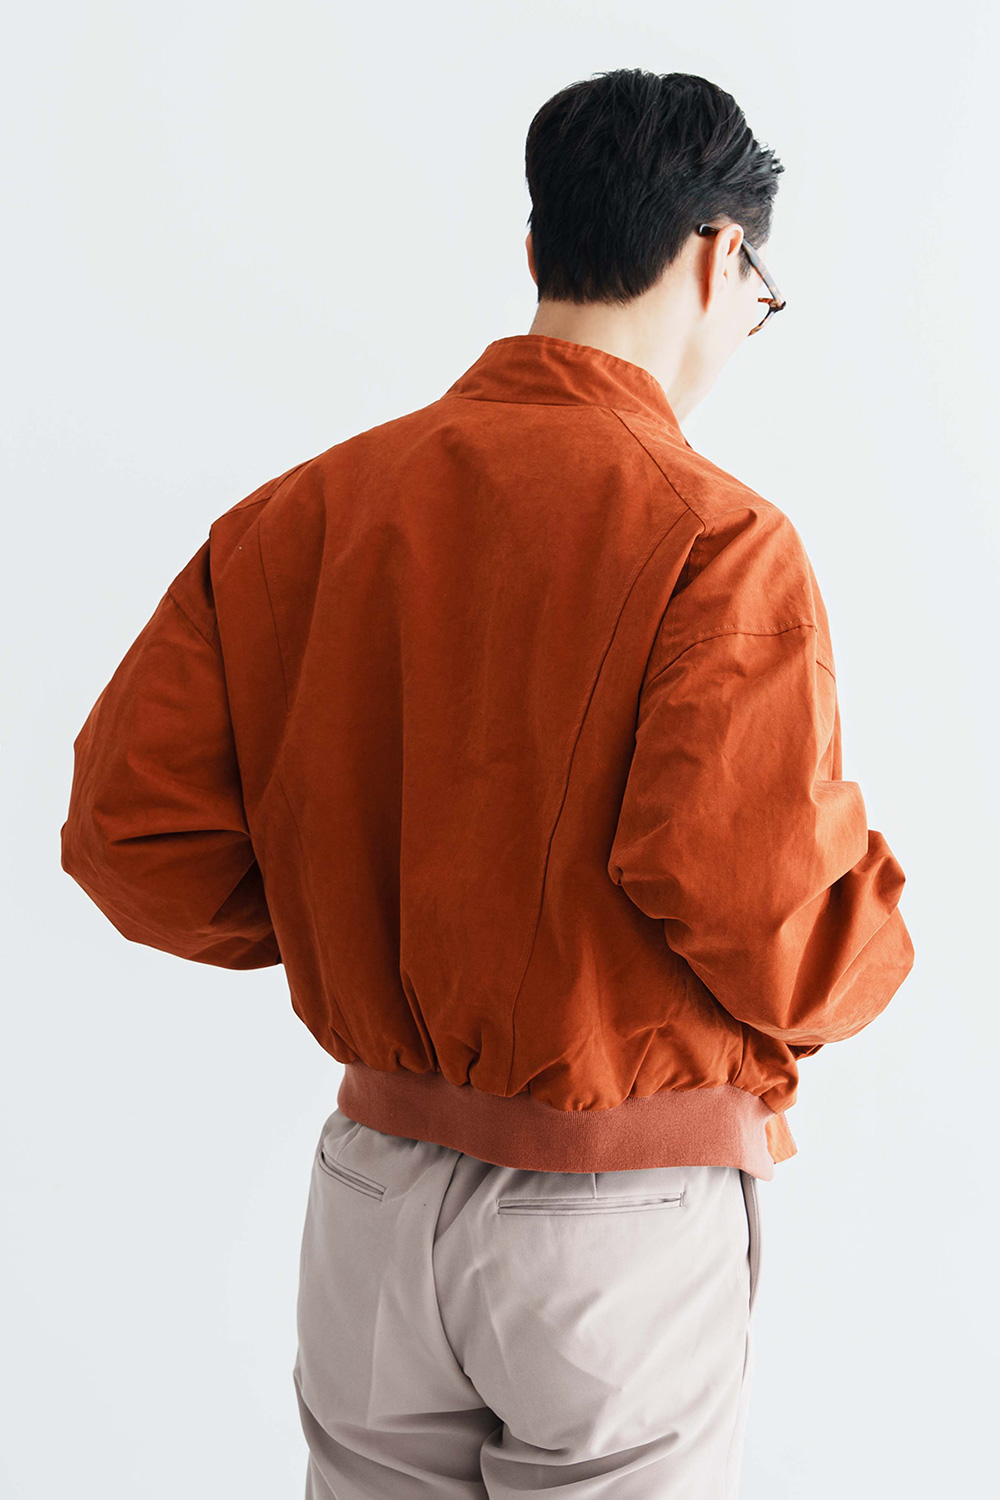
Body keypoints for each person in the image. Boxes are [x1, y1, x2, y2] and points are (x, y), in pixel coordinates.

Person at [60, 67, 914, 1497]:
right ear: (719, 256)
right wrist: (880, 941)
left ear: (536, 251)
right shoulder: (717, 539)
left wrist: (355, 914)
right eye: (760, 292)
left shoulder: (298, 514)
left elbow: (127, 832)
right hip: (613, 1219)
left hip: (373, 1195)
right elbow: (765, 909)